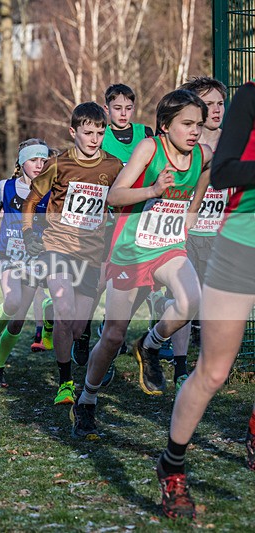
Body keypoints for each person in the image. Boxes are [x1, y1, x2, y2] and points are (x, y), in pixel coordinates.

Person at [73, 90, 212, 442]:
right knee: (113, 335)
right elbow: (114, 196)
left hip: (169, 248)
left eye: (198, 124)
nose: (195, 131)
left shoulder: (203, 154)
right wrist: (152, 190)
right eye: (186, 124)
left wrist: (191, 212)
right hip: (131, 252)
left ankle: (150, 344)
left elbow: (207, 171)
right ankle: (86, 399)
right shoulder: (150, 149)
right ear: (165, 126)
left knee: (191, 301)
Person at [154, 79, 255, 521]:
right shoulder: (251, 97)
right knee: (213, 371)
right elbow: (227, 169)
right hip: (241, 247)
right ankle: (172, 465)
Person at [21, 102, 124, 407]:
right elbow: (31, 201)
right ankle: (65, 382)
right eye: (88, 132)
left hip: (92, 254)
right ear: (73, 132)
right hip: (57, 247)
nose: (94, 138)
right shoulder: (58, 164)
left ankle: (81, 329)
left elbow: (121, 206)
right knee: (66, 313)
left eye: (100, 132)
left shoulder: (114, 166)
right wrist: (29, 234)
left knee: (77, 325)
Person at [72, 84, 156, 368]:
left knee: (142, 283)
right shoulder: (99, 134)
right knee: (98, 282)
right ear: (106, 109)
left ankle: (111, 327)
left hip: (137, 219)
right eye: (116, 108)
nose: (123, 113)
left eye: (128, 108)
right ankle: (83, 332)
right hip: (105, 219)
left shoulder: (146, 134)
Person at [164, 76, 227, 389]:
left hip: (220, 236)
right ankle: (179, 368)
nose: (215, 110)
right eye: (209, 104)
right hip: (184, 235)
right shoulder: (186, 145)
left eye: (220, 104)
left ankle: (210, 365)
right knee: (183, 301)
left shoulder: (236, 142)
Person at [0, 138, 52, 388]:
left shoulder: (52, 190)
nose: (39, 165)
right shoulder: (5, 187)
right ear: (21, 162)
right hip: (8, 255)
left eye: (43, 160)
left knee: (18, 321)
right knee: (12, 299)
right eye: (33, 160)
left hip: (34, 258)